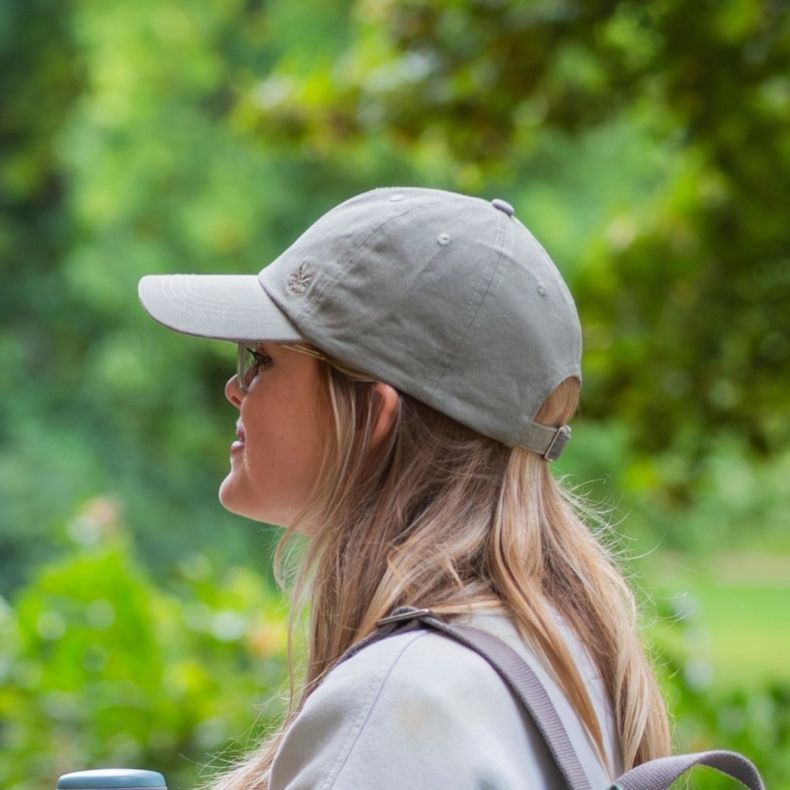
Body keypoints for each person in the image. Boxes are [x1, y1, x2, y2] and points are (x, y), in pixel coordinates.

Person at [138, 187, 671, 789]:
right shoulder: (556, 651)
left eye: (261, 359)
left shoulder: (399, 706)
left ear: (373, 414)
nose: (236, 389)